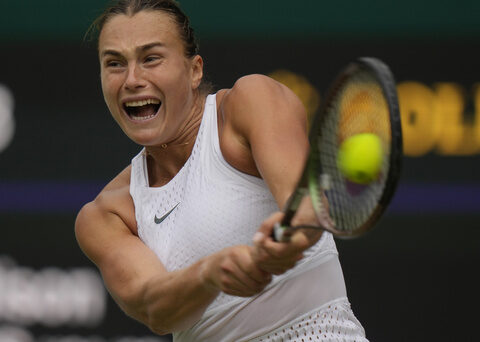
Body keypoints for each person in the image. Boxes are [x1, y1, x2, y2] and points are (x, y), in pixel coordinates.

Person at [75, 0, 369, 341]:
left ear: (194, 70)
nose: (132, 79)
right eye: (114, 63)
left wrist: (296, 231)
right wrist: (209, 274)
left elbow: (305, 203)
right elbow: (155, 309)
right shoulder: (106, 214)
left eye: (151, 58)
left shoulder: (251, 102)